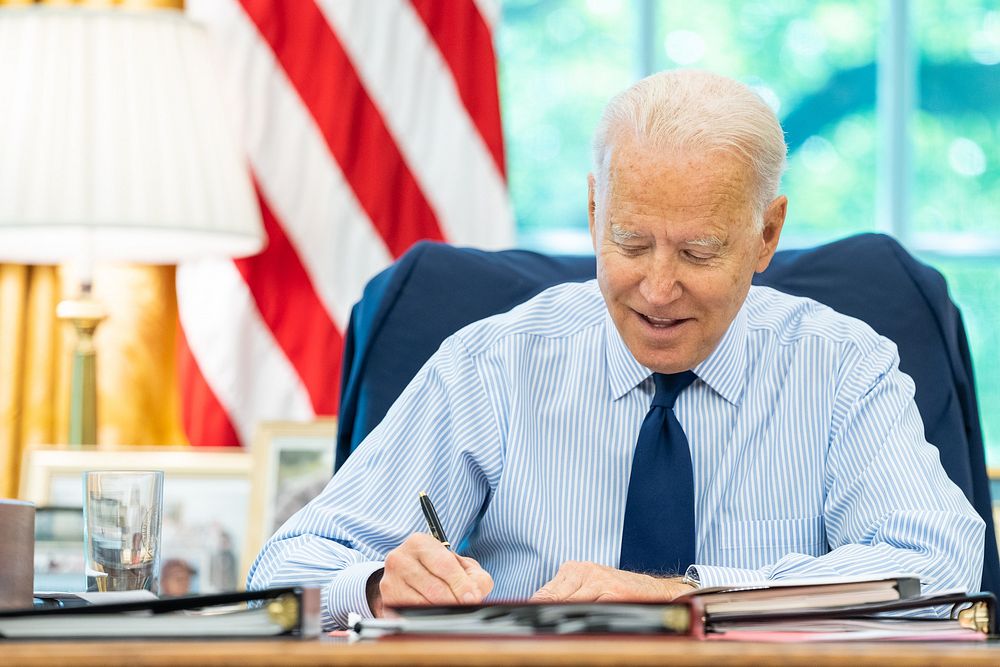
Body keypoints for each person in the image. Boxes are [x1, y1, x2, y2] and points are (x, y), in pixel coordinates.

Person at [247, 69, 984, 630]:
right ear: (597, 211)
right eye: (631, 242)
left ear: (766, 235)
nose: (657, 289)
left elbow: (939, 566)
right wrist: (379, 583)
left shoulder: (844, 367)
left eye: (698, 251)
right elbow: (278, 572)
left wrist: (691, 597)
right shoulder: (493, 365)